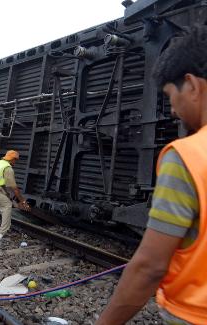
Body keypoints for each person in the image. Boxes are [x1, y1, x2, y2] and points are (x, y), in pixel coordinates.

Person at [97, 25, 207, 325]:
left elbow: (149, 268)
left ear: (193, 86)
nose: (172, 110)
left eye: (171, 96)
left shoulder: (188, 155)